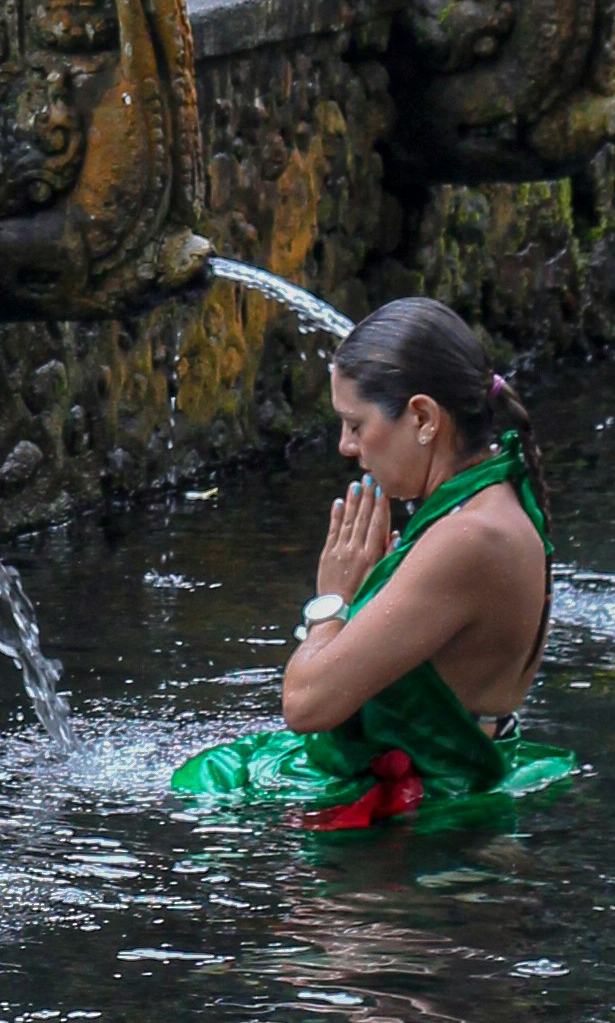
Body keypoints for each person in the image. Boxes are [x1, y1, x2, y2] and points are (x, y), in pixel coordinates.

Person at [173, 296, 576, 832]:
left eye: (356, 425)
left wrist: (332, 601)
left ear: (423, 418)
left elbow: (306, 705)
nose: (345, 446)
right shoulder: (493, 498)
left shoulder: (469, 537)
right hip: (446, 800)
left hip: (425, 826)